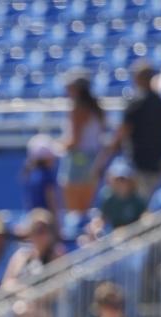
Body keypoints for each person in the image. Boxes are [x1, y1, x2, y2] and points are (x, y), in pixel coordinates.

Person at [99, 62, 161, 200]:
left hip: (137, 161)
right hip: (157, 161)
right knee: (152, 200)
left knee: (140, 203)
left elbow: (124, 130)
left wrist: (109, 151)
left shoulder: (135, 102)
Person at [57, 74, 105, 213]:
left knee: (74, 209)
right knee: (86, 207)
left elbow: (74, 141)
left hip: (78, 158)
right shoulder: (97, 109)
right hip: (94, 157)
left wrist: (57, 146)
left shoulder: (78, 108)